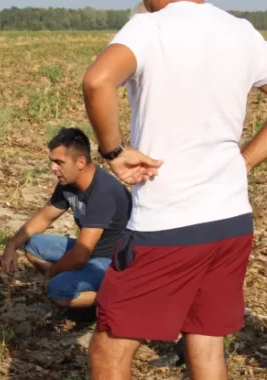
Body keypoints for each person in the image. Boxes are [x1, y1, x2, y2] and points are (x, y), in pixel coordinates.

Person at [82, 1, 267, 379]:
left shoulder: (150, 28)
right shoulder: (241, 31)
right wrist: (244, 161)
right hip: (231, 222)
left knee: (109, 350)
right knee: (207, 345)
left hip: (167, 223)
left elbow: (97, 80)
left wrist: (113, 151)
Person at [1, 127, 131, 311]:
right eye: (52, 161)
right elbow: (44, 218)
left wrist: (53, 273)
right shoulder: (69, 183)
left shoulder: (102, 193)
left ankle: (116, 299)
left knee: (57, 289)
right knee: (33, 245)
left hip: (113, 261)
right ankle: (74, 286)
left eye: (59, 162)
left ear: (80, 162)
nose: (53, 168)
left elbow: (80, 255)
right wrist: (12, 245)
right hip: (89, 252)